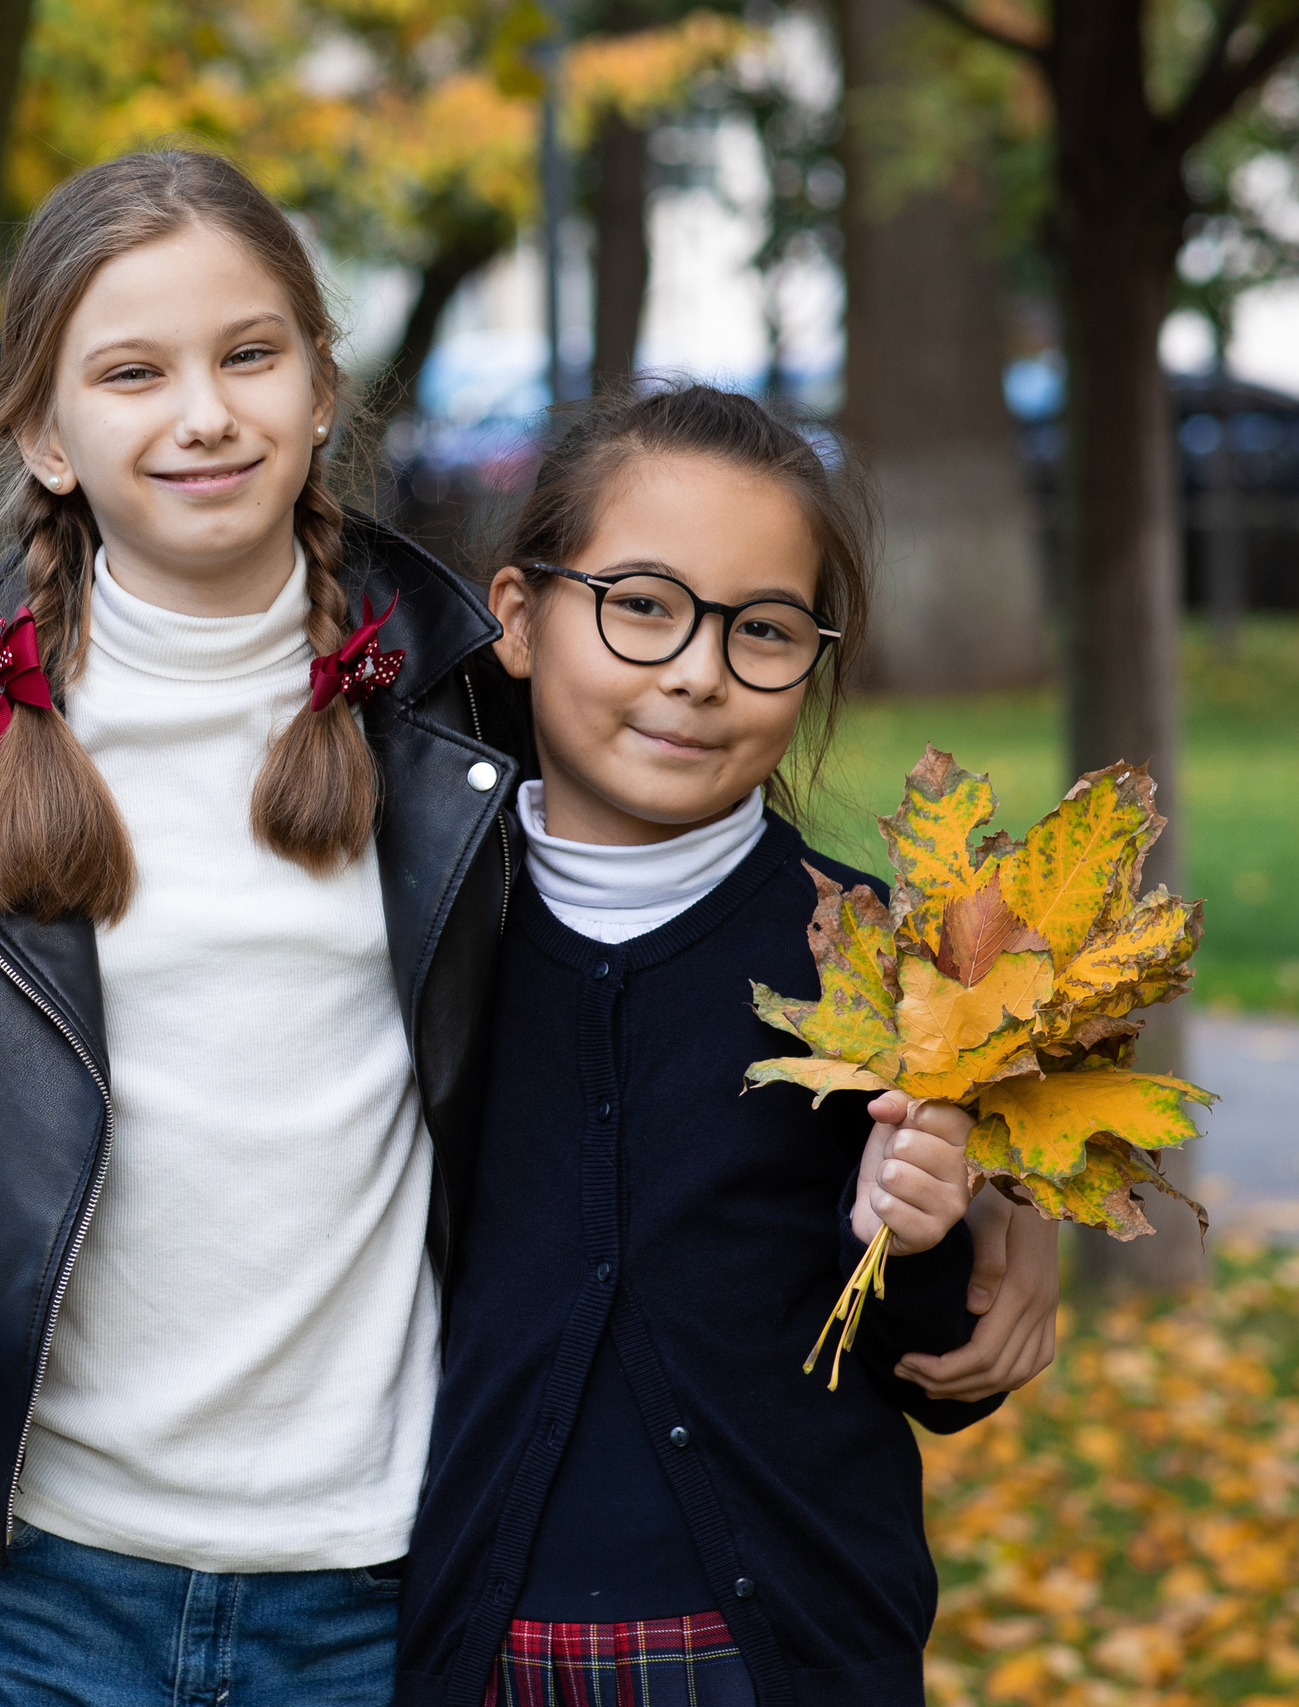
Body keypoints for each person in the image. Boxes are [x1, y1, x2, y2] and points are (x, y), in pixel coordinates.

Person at [0, 150, 1059, 1705]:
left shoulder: (459, 708)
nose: (202, 413)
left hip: (378, 1574)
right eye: (131, 372)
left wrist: (986, 1161)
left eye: (249, 355)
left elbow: (720, 871)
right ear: (46, 437)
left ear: (319, 386)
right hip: (42, 1580)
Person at [396, 385, 1007, 1707]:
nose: (697, 670)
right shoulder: (427, 932)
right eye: (643, 603)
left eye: (764, 630)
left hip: (786, 1653)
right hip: (476, 1648)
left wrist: (919, 1232)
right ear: (517, 614)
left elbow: (950, 1371)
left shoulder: (875, 960)